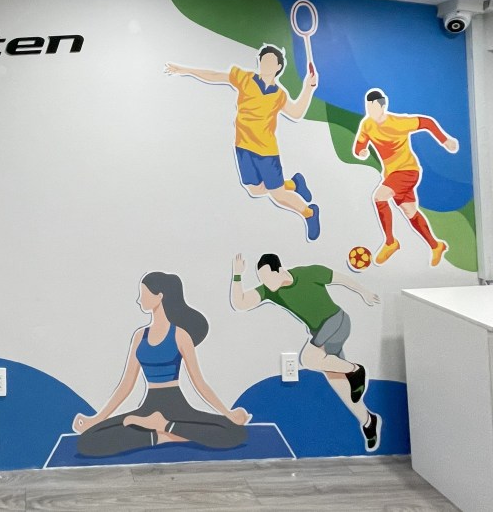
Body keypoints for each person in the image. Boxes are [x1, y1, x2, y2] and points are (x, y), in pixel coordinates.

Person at [73, 272, 249, 457]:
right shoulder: (140, 336)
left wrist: (227, 413)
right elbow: (126, 385)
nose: (139, 300)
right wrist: (96, 419)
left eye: (143, 294)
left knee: (235, 431)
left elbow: (199, 383)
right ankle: (162, 436)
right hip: (148, 408)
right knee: (87, 440)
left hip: (178, 407)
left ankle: (164, 426)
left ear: (159, 296)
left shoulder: (180, 335)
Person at [165, 45, 322, 241]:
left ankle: (309, 213)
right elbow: (215, 76)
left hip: (267, 151)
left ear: (278, 67)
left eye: (271, 61)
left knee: (278, 194)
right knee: (255, 189)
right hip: (243, 147)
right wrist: (186, 70)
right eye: (263, 60)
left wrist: (308, 88)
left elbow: (296, 112)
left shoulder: (279, 95)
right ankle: (294, 183)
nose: (266, 64)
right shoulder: (245, 79)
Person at [231, 253, 382, 451]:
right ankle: (368, 420)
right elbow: (241, 303)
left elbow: (342, 279)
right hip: (321, 334)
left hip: (337, 321)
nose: (266, 283)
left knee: (308, 359)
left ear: (280, 270)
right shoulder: (271, 291)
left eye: (268, 277)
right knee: (340, 385)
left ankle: (356, 370)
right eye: (262, 279)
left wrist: (364, 292)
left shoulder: (308, 273)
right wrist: (237, 275)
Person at [354, 89, 459, 267]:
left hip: (407, 171)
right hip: (391, 175)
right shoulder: (367, 125)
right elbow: (359, 146)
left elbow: (427, 122)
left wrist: (445, 140)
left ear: (382, 106)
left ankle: (390, 243)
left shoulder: (398, 123)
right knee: (410, 212)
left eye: (373, 106)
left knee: (379, 197)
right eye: (367, 106)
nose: (369, 110)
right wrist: (361, 152)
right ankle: (436, 246)